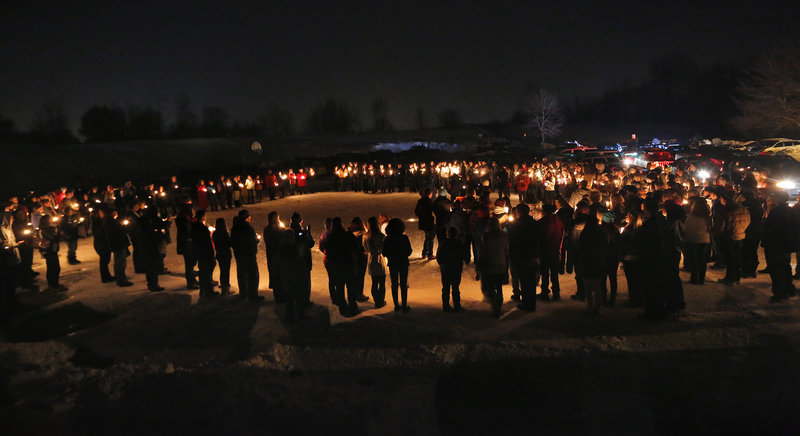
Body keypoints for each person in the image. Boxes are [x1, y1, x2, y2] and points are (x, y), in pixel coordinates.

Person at [762, 191, 799, 302]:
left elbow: (771, 228)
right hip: (785, 245)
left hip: (775, 245)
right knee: (785, 267)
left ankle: (780, 293)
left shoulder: (777, 212)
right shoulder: (790, 211)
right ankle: (789, 289)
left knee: (776, 269)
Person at [322, 217, 360, 316]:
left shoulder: (331, 238)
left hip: (337, 266)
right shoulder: (348, 235)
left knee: (340, 287)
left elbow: (327, 251)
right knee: (351, 287)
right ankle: (353, 306)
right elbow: (355, 247)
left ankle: (343, 307)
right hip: (348, 264)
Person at [508, 203, 541, 311]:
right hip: (533, 255)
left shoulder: (516, 225)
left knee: (524, 281)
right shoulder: (534, 223)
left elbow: (512, 241)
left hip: (521, 256)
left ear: (519, 212)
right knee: (531, 281)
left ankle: (527, 303)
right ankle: (531, 302)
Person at [578, 207, 608, 315]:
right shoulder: (601, 232)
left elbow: (580, 247)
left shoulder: (585, 233)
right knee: (597, 287)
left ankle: (590, 307)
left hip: (587, 263)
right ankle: (597, 308)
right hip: (598, 262)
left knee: (588, 288)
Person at [716, 190, 750, 285]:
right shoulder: (743, 208)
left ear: (724, 199)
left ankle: (729, 278)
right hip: (740, 235)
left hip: (727, 237)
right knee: (736, 258)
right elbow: (748, 221)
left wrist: (717, 233)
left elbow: (720, 225)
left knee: (729, 259)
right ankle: (736, 277)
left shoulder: (724, 209)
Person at [230, 209, 263, 302]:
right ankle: (253, 295)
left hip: (239, 255)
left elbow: (233, 241)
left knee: (241, 274)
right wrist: (257, 240)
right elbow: (251, 241)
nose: (250, 217)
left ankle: (243, 293)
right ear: (246, 217)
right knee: (253, 275)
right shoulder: (247, 228)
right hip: (249, 255)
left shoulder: (235, 228)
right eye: (248, 216)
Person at [479, 217, 508, 318]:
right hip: (501, 263)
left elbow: (483, 250)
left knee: (489, 287)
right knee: (499, 287)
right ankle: (498, 306)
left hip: (490, 264)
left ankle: (494, 304)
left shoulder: (486, 235)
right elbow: (506, 250)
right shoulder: (503, 235)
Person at [382, 218, 413, 312]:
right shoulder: (404, 238)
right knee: (403, 284)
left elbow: (384, 252)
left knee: (394, 284)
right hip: (403, 262)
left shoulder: (387, 239)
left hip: (392, 263)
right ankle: (404, 305)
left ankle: (396, 305)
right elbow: (409, 251)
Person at [436, 227, 466, 312]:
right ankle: (457, 306)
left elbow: (439, 256)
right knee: (455, 288)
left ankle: (446, 306)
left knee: (445, 287)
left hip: (446, 268)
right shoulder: (459, 243)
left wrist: (442, 264)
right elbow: (464, 255)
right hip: (456, 268)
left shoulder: (443, 243)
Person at [538, 203, 563, 301]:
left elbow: (539, 237)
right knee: (554, 273)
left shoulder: (542, 222)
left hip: (545, 251)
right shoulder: (559, 221)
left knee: (544, 273)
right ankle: (556, 292)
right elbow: (562, 235)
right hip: (555, 250)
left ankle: (545, 292)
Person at [683, 197, 711, 285]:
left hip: (692, 240)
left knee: (694, 260)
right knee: (702, 261)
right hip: (704, 240)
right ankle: (701, 278)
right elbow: (710, 228)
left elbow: (686, 228)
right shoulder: (707, 218)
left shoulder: (691, 217)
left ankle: (694, 277)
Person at [138, 207, 166, 292]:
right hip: (151, 247)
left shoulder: (142, 221)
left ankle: (151, 283)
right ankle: (153, 284)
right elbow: (153, 234)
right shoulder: (148, 224)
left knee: (149, 266)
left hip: (145, 247)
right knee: (152, 266)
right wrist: (159, 234)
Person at [290, 212, 315, 307]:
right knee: (304, 283)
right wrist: (308, 233)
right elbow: (311, 243)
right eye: (300, 219)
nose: (302, 221)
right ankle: (304, 302)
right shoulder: (300, 233)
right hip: (303, 261)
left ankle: (296, 301)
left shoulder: (288, 231)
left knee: (296, 283)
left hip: (294, 262)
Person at [191, 210, 218, 298]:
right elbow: (206, 241)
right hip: (205, 252)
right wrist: (211, 234)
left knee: (203, 271)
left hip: (198, 252)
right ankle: (208, 291)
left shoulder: (194, 226)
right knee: (207, 272)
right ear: (203, 217)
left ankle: (203, 291)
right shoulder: (202, 228)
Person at [39, 214, 67, 291]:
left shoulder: (50, 228)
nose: (51, 220)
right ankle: (54, 285)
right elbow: (52, 238)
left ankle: (53, 284)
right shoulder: (44, 230)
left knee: (54, 268)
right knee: (54, 268)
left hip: (52, 250)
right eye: (50, 219)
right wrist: (59, 235)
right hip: (49, 251)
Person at [364, 216, 387, 308]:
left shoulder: (366, 237)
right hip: (380, 259)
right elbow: (384, 248)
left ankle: (376, 300)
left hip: (371, 260)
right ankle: (380, 300)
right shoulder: (381, 236)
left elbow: (365, 249)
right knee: (381, 282)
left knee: (374, 282)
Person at [263, 212, 285, 302]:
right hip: (273, 255)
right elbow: (270, 241)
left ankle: (281, 295)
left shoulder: (277, 228)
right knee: (276, 275)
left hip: (277, 254)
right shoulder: (268, 229)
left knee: (280, 275)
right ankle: (278, 296)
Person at [175, 205, 199, 290]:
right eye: (192, 210)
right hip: (187, 245)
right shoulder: (184, 220)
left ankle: (193, 280)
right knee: (189, 264)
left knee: (190, 263)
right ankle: (191, 282)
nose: (193, 211)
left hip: (188, 244)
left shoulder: (186, 219)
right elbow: (186, 232)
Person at [109, 211, 133, 287]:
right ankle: (121, 280)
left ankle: (120, 278)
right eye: (114, 213)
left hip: (118, 245)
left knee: (119, 263)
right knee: (120, 263)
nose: (116, 214)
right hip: (119, 245)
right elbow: (119, 232)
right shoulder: (112, 223)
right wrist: (124, 227)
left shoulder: (113, 222)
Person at [348, 217, 370, 302]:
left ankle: (354, 294)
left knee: (354, 276)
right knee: (361, 276)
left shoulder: (349, 233)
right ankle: (359, 294)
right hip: (361, 257)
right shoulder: (364, 234)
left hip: (352, 257)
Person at [91, 208, 114, 283]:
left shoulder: (99, 222)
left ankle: (106, 276)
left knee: (104, 261)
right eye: (100, 212)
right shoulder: (98, 223)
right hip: (101, 244)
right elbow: (101, 233)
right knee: (104, 261)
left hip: (101, 243)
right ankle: (105, 277)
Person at [212, 217, 233, 295]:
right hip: (225, 254)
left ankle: (224, 286)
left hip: (219, 254)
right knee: (226, 271)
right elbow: (228, 243)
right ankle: (225, 288)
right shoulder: (224, 233)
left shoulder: (215, 233)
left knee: (222, 270)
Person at [415, 188, 436, 260]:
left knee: (427, 238)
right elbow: (432, 211)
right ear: (430, 194)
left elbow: (416, 211)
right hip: (429, 222)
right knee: (430, 238)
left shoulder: (420, 201)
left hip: (423, 222)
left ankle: (424, 253)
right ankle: (429, 254)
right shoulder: (429, 202)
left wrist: (421, 216)